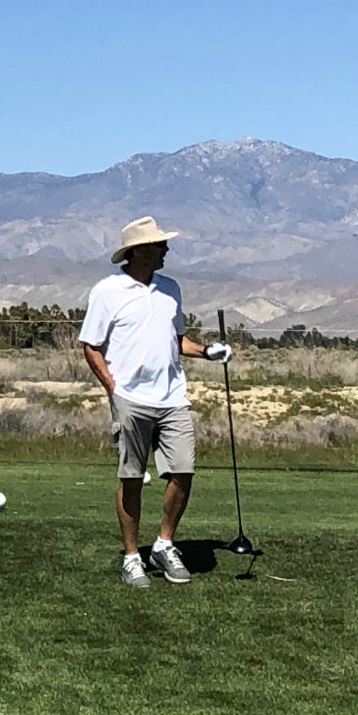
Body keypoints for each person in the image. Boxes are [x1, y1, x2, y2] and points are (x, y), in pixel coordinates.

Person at [78, 216, 231, 587]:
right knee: (131, 475)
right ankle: (133, 556)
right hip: (130, 397)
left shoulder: (170, 289)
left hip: (172, 395)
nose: (166, 250)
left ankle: (164, 543)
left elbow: (177, 339)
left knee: (183, 470)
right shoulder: (107, 292)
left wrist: (208, 351)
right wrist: (114, 389)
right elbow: (91, 346)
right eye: (160, 245)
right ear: (139, 250)